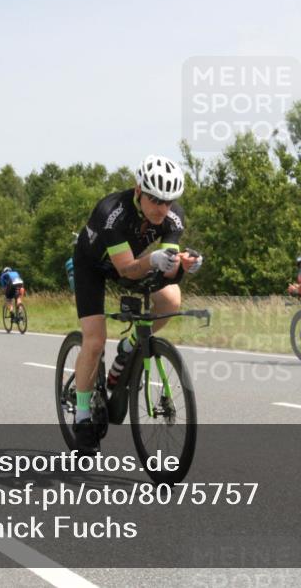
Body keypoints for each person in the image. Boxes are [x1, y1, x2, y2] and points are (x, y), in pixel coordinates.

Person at [71, 154, 203, 454]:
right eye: (155, 200)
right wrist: (153, 260)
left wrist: (184, 265)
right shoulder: (111, 213)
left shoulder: (172, 217)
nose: (162, 208)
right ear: (138, 191)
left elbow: (167, 268)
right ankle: (82, 417)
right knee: (94, 341)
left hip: (130, 263)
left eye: (169, 202)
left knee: (170, 298)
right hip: (93, 266)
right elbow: (127, 269)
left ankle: (129, 346)